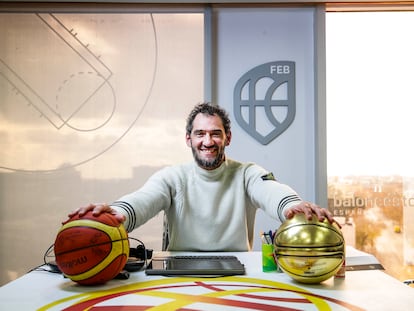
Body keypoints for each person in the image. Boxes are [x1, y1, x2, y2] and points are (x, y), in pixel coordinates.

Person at [69, 103, 337, 251]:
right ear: (188, 139)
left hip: (238, 272)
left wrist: (293, 206)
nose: (208, 141)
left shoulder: (247, 173)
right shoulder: (172, 177)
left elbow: (271, 191)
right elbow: (143, 200)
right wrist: (113, 214)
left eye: (215, 133)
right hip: (178, 272)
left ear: (227, 138)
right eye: (200, 134)